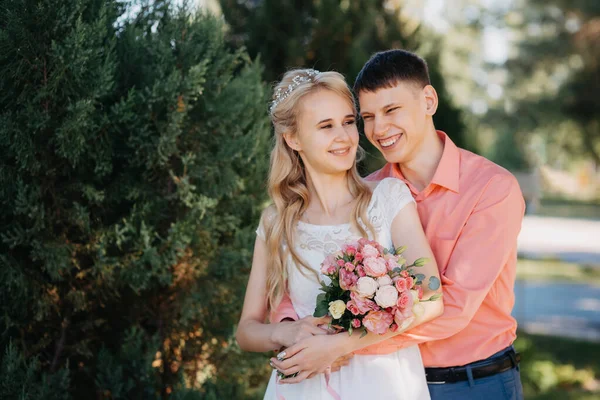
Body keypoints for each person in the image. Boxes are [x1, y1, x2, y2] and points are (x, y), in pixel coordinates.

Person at [271, 50, 525, 400]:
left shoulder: (492, 188)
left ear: (429, 101)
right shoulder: (370, 195)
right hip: (391, 383)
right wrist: (293, 331)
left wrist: (340, 346)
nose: (379, 129)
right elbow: (311, 266)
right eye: (368, 117)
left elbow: (451, 307)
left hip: (472, 383)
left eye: (392, 111)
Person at [235, 68, 443, 400]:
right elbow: (246, 331)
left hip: (385, 384)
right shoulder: (277, 221)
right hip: (306, 388)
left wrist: (337, 346)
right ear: (293, 138)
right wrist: (286, 331)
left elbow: (431, 296)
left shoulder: (389, 198)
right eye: (326, 126)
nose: (344, 137)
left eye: (348, 122)